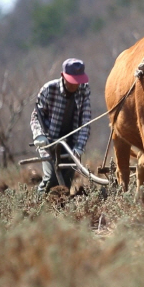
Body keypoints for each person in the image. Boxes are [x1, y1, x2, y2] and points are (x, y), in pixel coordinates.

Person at [31, 58, 92, 194]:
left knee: (67, 179)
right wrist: (39, 135)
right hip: (49, 141)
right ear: (63, 76)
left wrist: (79, 147)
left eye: (78, 81)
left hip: (71, 143)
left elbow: (86, 121)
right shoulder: (49, 89)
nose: (75, 85)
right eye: (72, 81)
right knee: (51, 178)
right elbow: (36, 116)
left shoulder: (84, 90)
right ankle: (38, 207)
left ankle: (62, 209)